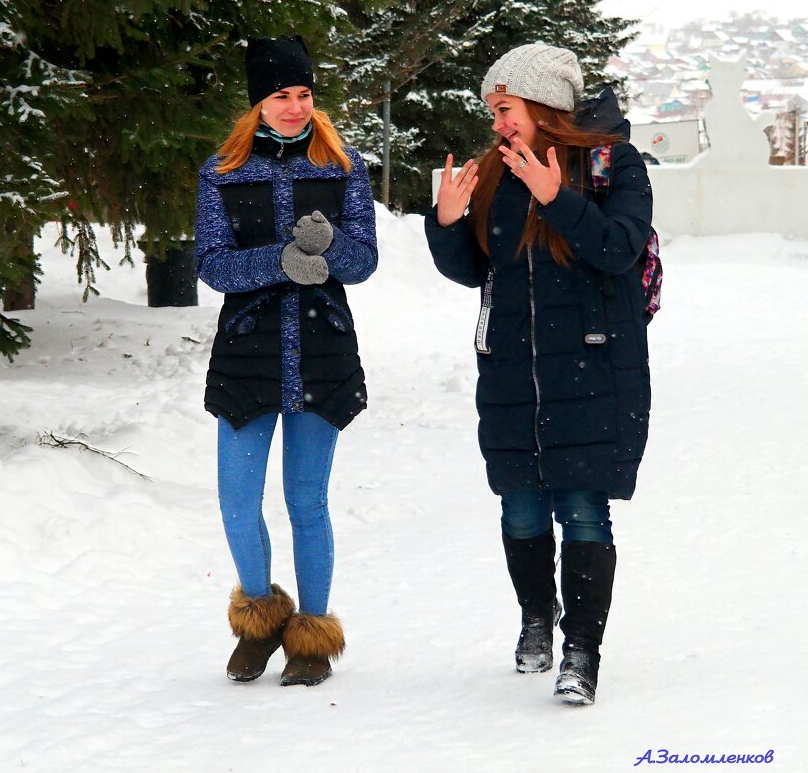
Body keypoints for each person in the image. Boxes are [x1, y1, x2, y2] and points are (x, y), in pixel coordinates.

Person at [425, 43, 652, 705]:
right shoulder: (498, 174)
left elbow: (618, 248)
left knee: (583, 509)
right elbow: (477, 271)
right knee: (520, 507)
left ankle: (581, 650)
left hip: (591, 367)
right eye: (492, 111)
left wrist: (556, 198)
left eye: (503, 108)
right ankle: (534, 619)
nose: (495, 123)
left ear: (540, 104)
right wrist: (445, 223)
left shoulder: (612, 162)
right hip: (511, 376)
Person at [194, 35, 377, 687]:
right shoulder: (220, 172)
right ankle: (262, 619)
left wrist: (330, 248)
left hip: (320, 349)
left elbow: (364, 260)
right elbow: (211, 265)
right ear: (258, 104)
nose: (295, 106)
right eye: (281, 95)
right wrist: (275, 259)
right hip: (247, 353)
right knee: (237, 501)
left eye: (303, 94)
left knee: (307, 499)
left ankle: (312, 637)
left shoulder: (341, 166)